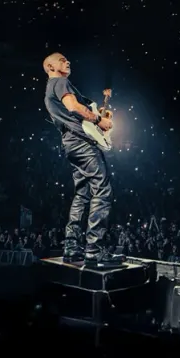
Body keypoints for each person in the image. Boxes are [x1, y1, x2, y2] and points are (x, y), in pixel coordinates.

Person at [41, 52, 122, 267]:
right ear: (50, 67)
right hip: (81, 143)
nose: (67, 61)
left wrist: (101, 114)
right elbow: (74, 107)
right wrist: (98, 120)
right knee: (102, 189)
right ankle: (94, 249)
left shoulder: (52, 89)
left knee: (82, 194)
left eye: (68, 59)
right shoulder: (60, 82)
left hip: (70, 144)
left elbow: (79, 109)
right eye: (62, 60)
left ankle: (72, 248)